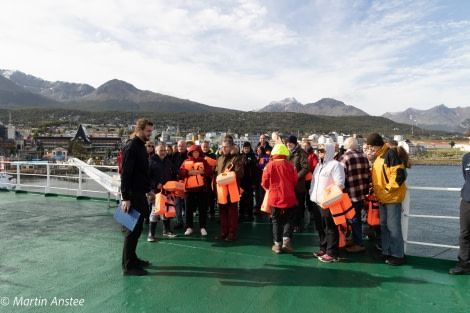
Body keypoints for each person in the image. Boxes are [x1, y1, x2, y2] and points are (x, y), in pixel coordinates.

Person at [120, 118, 155, 276]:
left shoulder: (141, 146)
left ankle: (133, 259)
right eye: (148, 131)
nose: (150, 134)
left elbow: (141, 172)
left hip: (140, 193)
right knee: (131, 231)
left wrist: (148, 190)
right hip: (133, 195)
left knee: (138, 228)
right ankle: (128, 267)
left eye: (151, 131)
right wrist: (126, 197)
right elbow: (126, 174)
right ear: (139, 130)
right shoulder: (131, 147)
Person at [367, 133, 407, 266]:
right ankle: (386, 251)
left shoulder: (390, 154)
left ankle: (398, 255)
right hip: (382, 197)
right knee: (384, 226)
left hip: (392, 198)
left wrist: (388, 190)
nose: (370, 149)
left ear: (377, 144)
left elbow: (399, 174)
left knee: (393, 227)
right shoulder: (378, 157)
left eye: (371, 146)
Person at [309, 143, 345, 263]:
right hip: (316, 201)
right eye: (319, 150)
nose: (320, 152)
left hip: (328, 202)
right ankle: (323, 248)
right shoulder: (319, 166)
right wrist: (311, 193)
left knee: (330, 227)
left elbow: (340, 184)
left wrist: (328, 198)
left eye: (323, 150)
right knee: (320, 227)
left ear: (329, 151)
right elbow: (313, 181)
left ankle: (332, 253)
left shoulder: (335, 165)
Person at [262, 144, 298, 254]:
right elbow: (295, 181)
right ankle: (286, 241)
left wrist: (271, 189)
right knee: (289, 219)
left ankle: (277, 244)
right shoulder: (291, 165)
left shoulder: (269, 166)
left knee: (276, 221)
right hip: (289, 197)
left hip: (274, 197)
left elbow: (264, 182)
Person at [338, 137, 370, 253]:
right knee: (355, 218)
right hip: (361, 193)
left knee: (353, 219)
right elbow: (367, 174)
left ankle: (359, 243)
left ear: (346, 146)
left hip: (350, 194)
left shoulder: (344, 157)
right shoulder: (363, 156)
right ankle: (355, 239)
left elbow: (341, 178)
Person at [178, 145, 213, 236]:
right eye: (194, 152)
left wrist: (203, 172)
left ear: (200, 153)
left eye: (197, 152)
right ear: (191, 153)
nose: (196, 154)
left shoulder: (204, 162)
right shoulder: (186, 162)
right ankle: (189, 227)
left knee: (202, 210)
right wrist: (188, 172)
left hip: (202, 190)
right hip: (189, 191)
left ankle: (203, 227)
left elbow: (210, 171)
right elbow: (180, 172)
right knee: (188, 210)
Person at [215, 137, 244, 241]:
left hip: (231, 190)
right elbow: (216, 173)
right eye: (223, 147)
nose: (224, 149)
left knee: (232, 213)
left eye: (226, 147)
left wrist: (227, 175)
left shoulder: (236, 158)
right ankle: (224, 232)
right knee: (222, 212)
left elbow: (240, 173)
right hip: (221, 190)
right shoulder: (220, 159)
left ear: (231, 147)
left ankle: (231, 233)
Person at [148, 143, 178, 242]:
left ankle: (167, 230)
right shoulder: (151, 162)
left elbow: (174, 174)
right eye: (161, 150)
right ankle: (151, 234)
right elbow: (147, 177)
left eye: (164, 150)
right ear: (156, 151)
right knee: (155, 211)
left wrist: (174, 184)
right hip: (155, 191)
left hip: (167, 191)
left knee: (167, 209)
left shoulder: (168, 162)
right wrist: (155, 184)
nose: (163, 152)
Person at [449, 146, 470, 275]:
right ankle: (464, 263)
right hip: (467, 200)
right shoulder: (467, 158)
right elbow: (466, 177)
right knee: (465, 233)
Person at [286, 135, 309, 233]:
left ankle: (297, 224)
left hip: (298, 185)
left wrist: (295, 177)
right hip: (288, 185)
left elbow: (305, 168)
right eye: (287, 142)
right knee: (289, 205)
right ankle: (289, 223)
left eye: (290, 142)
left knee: (298, 205)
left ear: (295, 143)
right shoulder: (286, 152)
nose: (288, 144)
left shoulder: (301, 153)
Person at [171, 140, 188, 229]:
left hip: (186, 183)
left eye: (182, 146)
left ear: (186, 146)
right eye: (179, 146)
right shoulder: (175, 155)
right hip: (177, 183)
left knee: (186, 204)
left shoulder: (189, 155)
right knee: (177, 203)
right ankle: (179, 221)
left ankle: (186, 222)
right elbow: (171, 166)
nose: (180, 148)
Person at [239, 141, 257, 222]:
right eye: (245, 148)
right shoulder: (240, 157)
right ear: (243, 148)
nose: (246, 150)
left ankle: (250, 214)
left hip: (250, 181)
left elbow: (254, 170)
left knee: (250, 199)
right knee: (241, 199)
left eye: (248, 148)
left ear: (250, 148)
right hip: (242, 181)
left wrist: (254, 183)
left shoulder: (253, 157)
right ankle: (241, 214)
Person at [201, 140, 217, 220]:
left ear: (209, 147)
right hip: (201, 179)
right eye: (204, 147)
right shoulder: (199, 156)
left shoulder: (213, 155)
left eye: (207, 146)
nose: (205, 148)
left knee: (211, 196)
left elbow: (215, 166)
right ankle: (204, 211)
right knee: (203, 197)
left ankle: (212, 212)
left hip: (210, 179)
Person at [254, 146, 269, 214]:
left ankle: (261, 206)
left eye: (259, 150)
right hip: (256, 176)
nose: (258, 151)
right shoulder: (256, 157)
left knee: (261, 192)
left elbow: (265, 165)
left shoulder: (265, 157)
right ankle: (257, 205)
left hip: (262, 176)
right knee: (256, 191)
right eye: (257, 150)